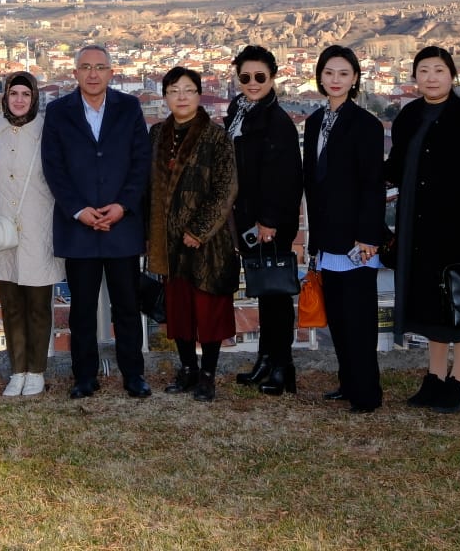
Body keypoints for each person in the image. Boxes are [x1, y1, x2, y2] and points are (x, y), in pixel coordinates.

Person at [384, 45, 460, 414]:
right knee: (432, 306)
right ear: (414, 77)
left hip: (459, 230)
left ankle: (458, 382)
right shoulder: (409, 115)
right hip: (418, 228)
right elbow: (395, 167)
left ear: (452, 75)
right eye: (424, 71)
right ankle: (434, 378)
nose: (431, 78)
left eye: (438, 70)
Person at [42, 45, 153, 398]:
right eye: (86, 67)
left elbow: (141, 162)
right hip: (79, 227)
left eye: (100, 67)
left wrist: (123, 206)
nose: (93, 74)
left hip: (122, 225)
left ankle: (133, 375)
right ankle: (84, 377)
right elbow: (53, 167)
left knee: (128, 307)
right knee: (82, 310)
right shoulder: (58, 111)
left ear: (111, 73)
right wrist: (79, 210)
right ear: (75, 73)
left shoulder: (129, 107)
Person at [301, 45, 387, 413]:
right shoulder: (314, 122)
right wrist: (313, 240)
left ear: (354, 80)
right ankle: (349, 383)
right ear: (320, 77)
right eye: (329, 73)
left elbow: (372, 184)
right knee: (336, 317)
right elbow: (313, 182)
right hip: (327, 237)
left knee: (359, 319)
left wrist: (368, 236)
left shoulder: (366, 124)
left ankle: (367, 393)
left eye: (343, 74)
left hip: (357, 240)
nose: (335, 80)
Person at [147, 65, 238, 402]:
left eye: (188, 90)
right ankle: (187, 369)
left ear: (199, 95)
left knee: (209, 308)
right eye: (173, 91)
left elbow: (226, 189)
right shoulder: (157, 134)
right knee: (179, 309)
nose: (181, 97)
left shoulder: (216, 137)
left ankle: (208, 374)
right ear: (165, 97)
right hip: (168, 241)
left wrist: (198, 230)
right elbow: (149, 187)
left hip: (208, 242)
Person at [227, 44, 302, 395]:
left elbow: (286, 177)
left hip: (269, 223)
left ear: (272, 77)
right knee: (264, 292)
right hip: (248, 219)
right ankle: (266, 360)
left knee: (276, 295)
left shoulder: (276, 121)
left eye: (260, 76)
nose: (253, 82)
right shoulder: (239, 110)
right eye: (246, 77)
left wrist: (269, 221)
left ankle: (282, 366)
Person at [0, 71, 60, 397]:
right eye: (13, 93)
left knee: (39, 305)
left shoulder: (47, 131)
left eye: (25, 94)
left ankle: (37, 370)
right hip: (1, 230)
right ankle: (18, 370)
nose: (19, 100)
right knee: (11, 305)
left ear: (34, 98)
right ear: (5, 97)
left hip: (39, 230)